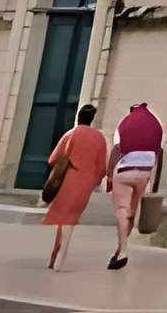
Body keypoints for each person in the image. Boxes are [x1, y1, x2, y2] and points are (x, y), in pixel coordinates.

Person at [40, 103, 108, 269]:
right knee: (71, 219)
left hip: (68, 181)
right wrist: (94, 182)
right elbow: (101, 168)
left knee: (64, 219)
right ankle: (58, 256)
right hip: (86, 183)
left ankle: (57, 257)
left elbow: (53, 159)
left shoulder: (71, 134)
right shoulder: (99, 138)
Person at [105, 98, 163, 269]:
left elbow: (117, 149)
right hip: (145, 171)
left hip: (124, 170)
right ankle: (119, 249)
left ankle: (123, 250)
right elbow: (160, 152)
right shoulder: (156, 125)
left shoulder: (125, 123)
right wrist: (154, 182)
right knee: (132, 211)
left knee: (122, 210)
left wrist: (109, 175)